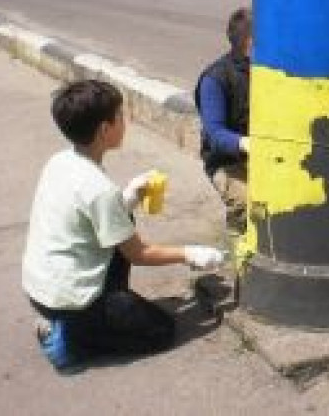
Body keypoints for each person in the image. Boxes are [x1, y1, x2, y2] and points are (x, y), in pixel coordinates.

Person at [23, 79, 224, 371]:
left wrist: (127, 199)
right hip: (69, 300)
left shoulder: (60, 160)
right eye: (119, 115)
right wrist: (191, 253)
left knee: (123, 221)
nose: (124, 120)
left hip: (41, 287)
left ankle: (92, 316)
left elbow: (85, 214)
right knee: (162, 331)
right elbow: (138, 254)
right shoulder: (99, 189)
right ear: (104, 130)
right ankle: (69, 340)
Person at [195, 7, 251, 234]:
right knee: (249, 203)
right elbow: (214, 134)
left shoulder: (273, 70)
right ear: (249, 42)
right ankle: (238, 245)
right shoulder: (215, 79)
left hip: (266, 157)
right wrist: (245, 143)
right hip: (228, 161)